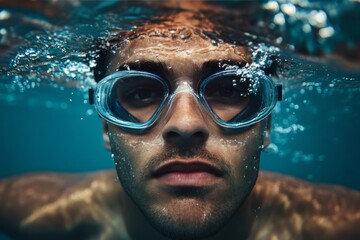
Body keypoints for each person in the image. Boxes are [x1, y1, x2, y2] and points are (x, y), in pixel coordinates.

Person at [0, 2, 359, 240]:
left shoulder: (345, 224)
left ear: (266, 123)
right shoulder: (27, 210)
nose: (186, 124)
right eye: (140, 93)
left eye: (230, 89)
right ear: (106, 125)